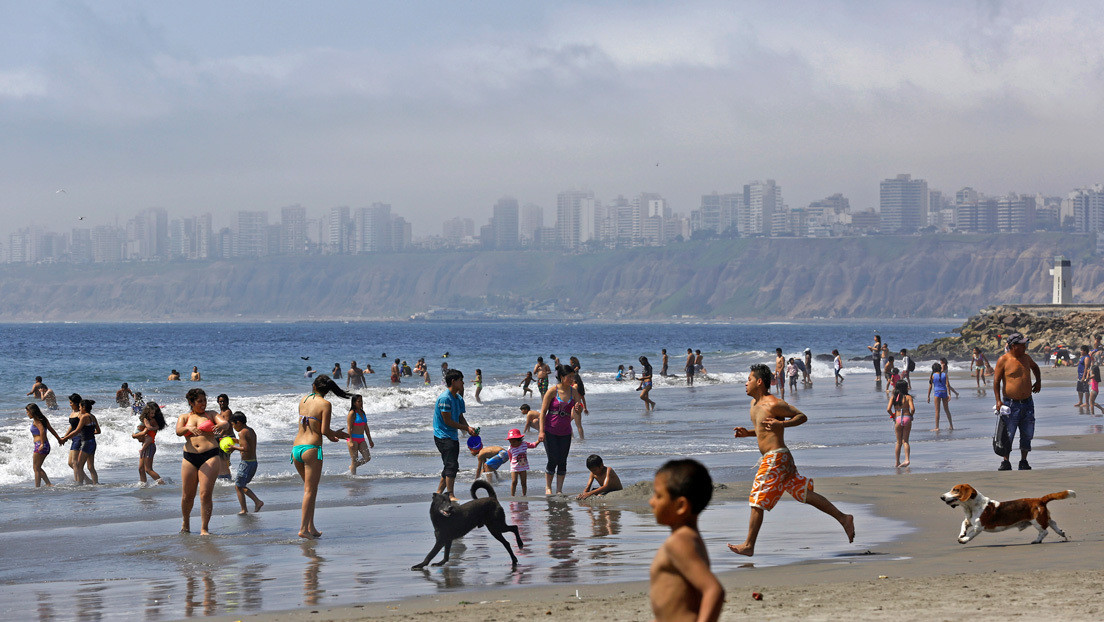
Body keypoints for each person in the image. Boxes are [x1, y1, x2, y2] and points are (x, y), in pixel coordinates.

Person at [728, 364, 855, 556]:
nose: (746, 383)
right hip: (781, 459)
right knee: (803, 493)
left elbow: (801, 416)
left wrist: (782, 423)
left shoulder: (774, 404)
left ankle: (749, 545)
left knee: (757, 497)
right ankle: (844, 518)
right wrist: (747, 433)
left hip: (775, 458)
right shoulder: (754, 405)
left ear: (759, 382)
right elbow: (764, 430)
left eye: (749, 379)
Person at [649, 459, 725, 622]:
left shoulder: (679, 542)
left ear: (681, 505)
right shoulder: (689, 537)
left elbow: (713, 590)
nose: (651, 502)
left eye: (658, 495)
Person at [294, 375, 352, 538]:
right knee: (310, 490)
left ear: (314, 386)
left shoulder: (303, 399)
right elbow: (324, 430)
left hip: (296, 448)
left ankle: (311, 527)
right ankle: (303, 529)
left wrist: (331, 436)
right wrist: (338, 435)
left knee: (309, 489)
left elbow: (307, 424)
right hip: (311, 449)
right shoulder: (325, 404)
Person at [993, 333, 1042, 471]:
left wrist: (1038, 382)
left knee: (1027, 432)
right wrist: (998, 401)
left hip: (1027, 402)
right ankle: (1006, 461)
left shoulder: (1026, 358)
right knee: (1008, 433)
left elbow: (1036, 368)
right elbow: (996, 382)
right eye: (1022, 344)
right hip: (1010, 404)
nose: (1025, 346)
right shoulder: (1003, 360)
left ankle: (1024, 460)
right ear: (1013, 346)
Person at [177, 388, 221, 534]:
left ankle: (204, 528)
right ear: (191, 402)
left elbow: (225, 423)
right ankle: (186, 521)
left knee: (205, 494)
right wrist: (188, 428)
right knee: (187, 495)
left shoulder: (212, 414)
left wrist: (220, 425)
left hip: (210, 455)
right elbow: (178, 431)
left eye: (205, 400)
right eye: (199, 401)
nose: (203, 404)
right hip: (189, 457)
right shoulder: (184, 417)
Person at [537, 364, 582, 495]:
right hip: (550, 430)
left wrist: (579, 410)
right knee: (553, 459)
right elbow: (543, 412)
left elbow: (578, 410)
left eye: (573, 377)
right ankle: (548, 487)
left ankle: (559, 490)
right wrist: (541, 431)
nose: (572, 379)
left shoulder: (574, 391)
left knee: (563, 461)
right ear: (562, 377)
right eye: (569, 377)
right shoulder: (552, 391)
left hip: (566, 431)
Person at [433, 369, 475, 501]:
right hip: (442, 435)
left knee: (451, 465)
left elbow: (459, 416)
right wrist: (465, 427)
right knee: (451, 465)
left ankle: (439, 493)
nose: (463, 382)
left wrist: (469, 430)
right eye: (461, 380)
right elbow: (448, 421)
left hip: (451, 435)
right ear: (453, 381)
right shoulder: (445, 398)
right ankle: (450, 495)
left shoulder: (458, 398)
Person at [229, 412, 264, 514]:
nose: (233, 427)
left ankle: (253, 504)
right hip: (253, 462)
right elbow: (247, 443)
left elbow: (245, 448)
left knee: (238, 486)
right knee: (241, 485)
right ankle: (252, 504)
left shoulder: (242, 433)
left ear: (238, 422)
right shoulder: (250, 430)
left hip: (246, 464)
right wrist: (235, 441)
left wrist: (233, 447)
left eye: (233, 424)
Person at [58, 399, 100, 485]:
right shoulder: (92, 416)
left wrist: (65, 438)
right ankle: (96, 484)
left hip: (86, 443)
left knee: (79, 466)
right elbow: (98, 431)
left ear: (84, 407)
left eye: (80, 407)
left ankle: (80, 485)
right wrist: (89, 432)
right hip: (93, 442)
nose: (79, 409)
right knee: (91, 467)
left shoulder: (84, 417)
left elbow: (76, 431)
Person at [27, 403, 63, 487]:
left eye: (27, 412)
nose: (27, 413)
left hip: (40, 444)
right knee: (38, 467)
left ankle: (39, 487)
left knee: (36, 468)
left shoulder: (37, 420)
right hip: (46, 445)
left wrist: (42, 444)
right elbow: (51, 429)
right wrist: (59, 439)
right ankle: (47, 484)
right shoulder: (43, 419)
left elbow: (42, 430)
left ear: (32, 412)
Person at [133, 402, 166, 485]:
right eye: (151, 412)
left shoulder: (152, 420)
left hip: (150, 445)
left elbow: (144, 433)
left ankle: (162, 484)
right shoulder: (147, 419)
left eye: (154, 412)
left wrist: (134, 435)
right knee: (141, 469)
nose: (152, 414)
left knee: (148, 469)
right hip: (147, 445)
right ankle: (143, 485)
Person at [887, 380, 915, 467]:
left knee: (898, 442)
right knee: (905, 441)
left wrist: (893, 416)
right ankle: (907, 459)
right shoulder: (908, 397)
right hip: (907, 417)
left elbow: (888, 409)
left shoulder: (893, 397)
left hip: (898, 418)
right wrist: (911, 415)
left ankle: (897, 462)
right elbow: (913, 409)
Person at [505, 428, 541, 496]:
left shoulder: (524, 444)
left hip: (523, 467)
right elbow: (510, 458)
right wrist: (513, 466)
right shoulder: (510, 448)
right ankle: (512, 495)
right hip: (514, 468)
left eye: (514, 442)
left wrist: (539, 441)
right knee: (514, 482)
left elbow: (533, 445)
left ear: (519, 440)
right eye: (510, 442)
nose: (512, 443)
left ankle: (524, 495)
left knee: (523, 483)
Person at [346, 394, 373, 474]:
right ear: (354, 403)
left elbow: (366, 428)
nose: (361, 403)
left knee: (367, 457)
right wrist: (350, 441)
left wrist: (370, 440)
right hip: (353, 438)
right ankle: (354, 479)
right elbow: (349, 428)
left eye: (361, 401)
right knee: (354, 459)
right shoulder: (352, 413)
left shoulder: (362, 412)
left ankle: (352, 467)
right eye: (359, 401)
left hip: (361, 439)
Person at [927, 362, 958, 431]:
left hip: (937, 393)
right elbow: (948, 385)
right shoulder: (945, 374)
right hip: (944, 392)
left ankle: (937, 427)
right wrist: (950, 394)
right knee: (947, 410)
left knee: (937, 411)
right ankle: (951, 425)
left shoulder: (932, 375)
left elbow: (930, 386)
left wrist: (928, 396)